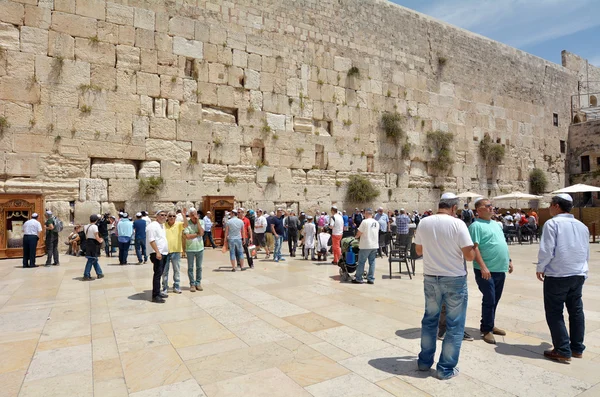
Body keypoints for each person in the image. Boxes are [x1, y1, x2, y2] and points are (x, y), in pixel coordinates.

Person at [414, 192, 476, 380]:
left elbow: (418, 251)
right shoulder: (458, 224)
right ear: (454, 208)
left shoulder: (424, 222)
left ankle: (424, 363)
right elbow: (469, 256)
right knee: (455, 325)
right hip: (454, 279)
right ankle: (445, 369)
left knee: (429, 320)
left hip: (431, 278)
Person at [537, 193, 589, 362]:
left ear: (557, 206)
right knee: (576, 311)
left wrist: (540, 267)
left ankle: (562, 349)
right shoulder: (582, 225)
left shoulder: (552, 224)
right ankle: (577, 348)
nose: (549, 207)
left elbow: (547, 250)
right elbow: (585, 251)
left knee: (554, 312)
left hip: (558, 274)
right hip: (578, 273)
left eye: (550, 204)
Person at [468, 198, 513, 344]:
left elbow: (502, 243)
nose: (491, 208)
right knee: (490, 298)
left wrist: (509, 260)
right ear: (479, 210)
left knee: (496, 298)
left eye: (491, 206)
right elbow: (475, 248)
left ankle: (490, 324)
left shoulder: (496, 224)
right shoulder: (476, 226)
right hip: (486, 270)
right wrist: (483, 266)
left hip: (500, 268)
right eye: (487, 206)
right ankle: (486, 329)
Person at [162, 209, 188, 295]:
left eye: (173, 216)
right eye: (170, 216)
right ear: (167, 217)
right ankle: (165, 287)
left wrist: (184, 215)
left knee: (176, 270)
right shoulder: (163, 226)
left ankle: (176, 286)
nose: (172, 217)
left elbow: (186, 224)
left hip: (176, 251)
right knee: (165, 271)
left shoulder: (178, 225)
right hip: (165, 251)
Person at [353, 208, 379, 284]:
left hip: (365, 245)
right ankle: (370, 278)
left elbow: (359, 232)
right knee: (372, 262)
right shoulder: (376, 222)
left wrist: (356, 237)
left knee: (361, 262)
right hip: (374, 245)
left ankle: (359, 278)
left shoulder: (365, 222)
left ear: (366, 214)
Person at [147, 210, 169, 303]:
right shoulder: (152, 226)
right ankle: (155, 295)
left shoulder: (162, 226)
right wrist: (157, 252)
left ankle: (158, 292)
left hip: (163, 253)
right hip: (157, 254)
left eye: (165, 215)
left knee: (160, 274)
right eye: (161, 215)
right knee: (157, 274)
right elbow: (151, 240)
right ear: (157, 216)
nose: (164, 217)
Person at [184, 208, 204, 292]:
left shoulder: (201, 222)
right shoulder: (187, 223)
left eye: (194, 214)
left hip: (200, 248)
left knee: (199, 267)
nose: (193, 216)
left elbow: (202, 233)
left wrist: (198, 221)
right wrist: (197, 234)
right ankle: (192, 283)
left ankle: (198, 283)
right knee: (190, 267)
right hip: (190, 248)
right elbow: (187, 236)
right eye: (191, 215)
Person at [82, 214, 104, 281]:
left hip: (88, 242)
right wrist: (100, 240)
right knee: (91, 259)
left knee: (94, 259)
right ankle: (86, 275)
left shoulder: (85, 226)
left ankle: (99, 273)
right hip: (93, 243)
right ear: (96, 220)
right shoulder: (94, 226)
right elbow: (96, 236)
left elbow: (86, 236)